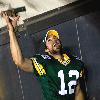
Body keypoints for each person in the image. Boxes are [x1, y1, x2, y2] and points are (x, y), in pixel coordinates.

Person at [2, 12, 87, 100]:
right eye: (49, 40)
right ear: (46, 49)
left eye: (55, 38)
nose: (54, 40)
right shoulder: (43, 62)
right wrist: (11, 31)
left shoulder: (76, 63)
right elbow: (19, 61)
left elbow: (78, 91)